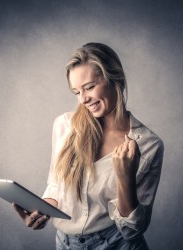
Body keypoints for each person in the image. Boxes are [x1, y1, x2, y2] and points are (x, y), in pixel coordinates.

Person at [13, 42, 164, 250]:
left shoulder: (148, 145)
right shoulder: (65, 125)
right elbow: (56, 187)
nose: (83, 99)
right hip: (65, 244)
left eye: (90, 87)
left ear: (115, 79)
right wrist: (41, 211)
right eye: (76, 92)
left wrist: (125, 178)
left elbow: (132, 229)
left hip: (116, 245)